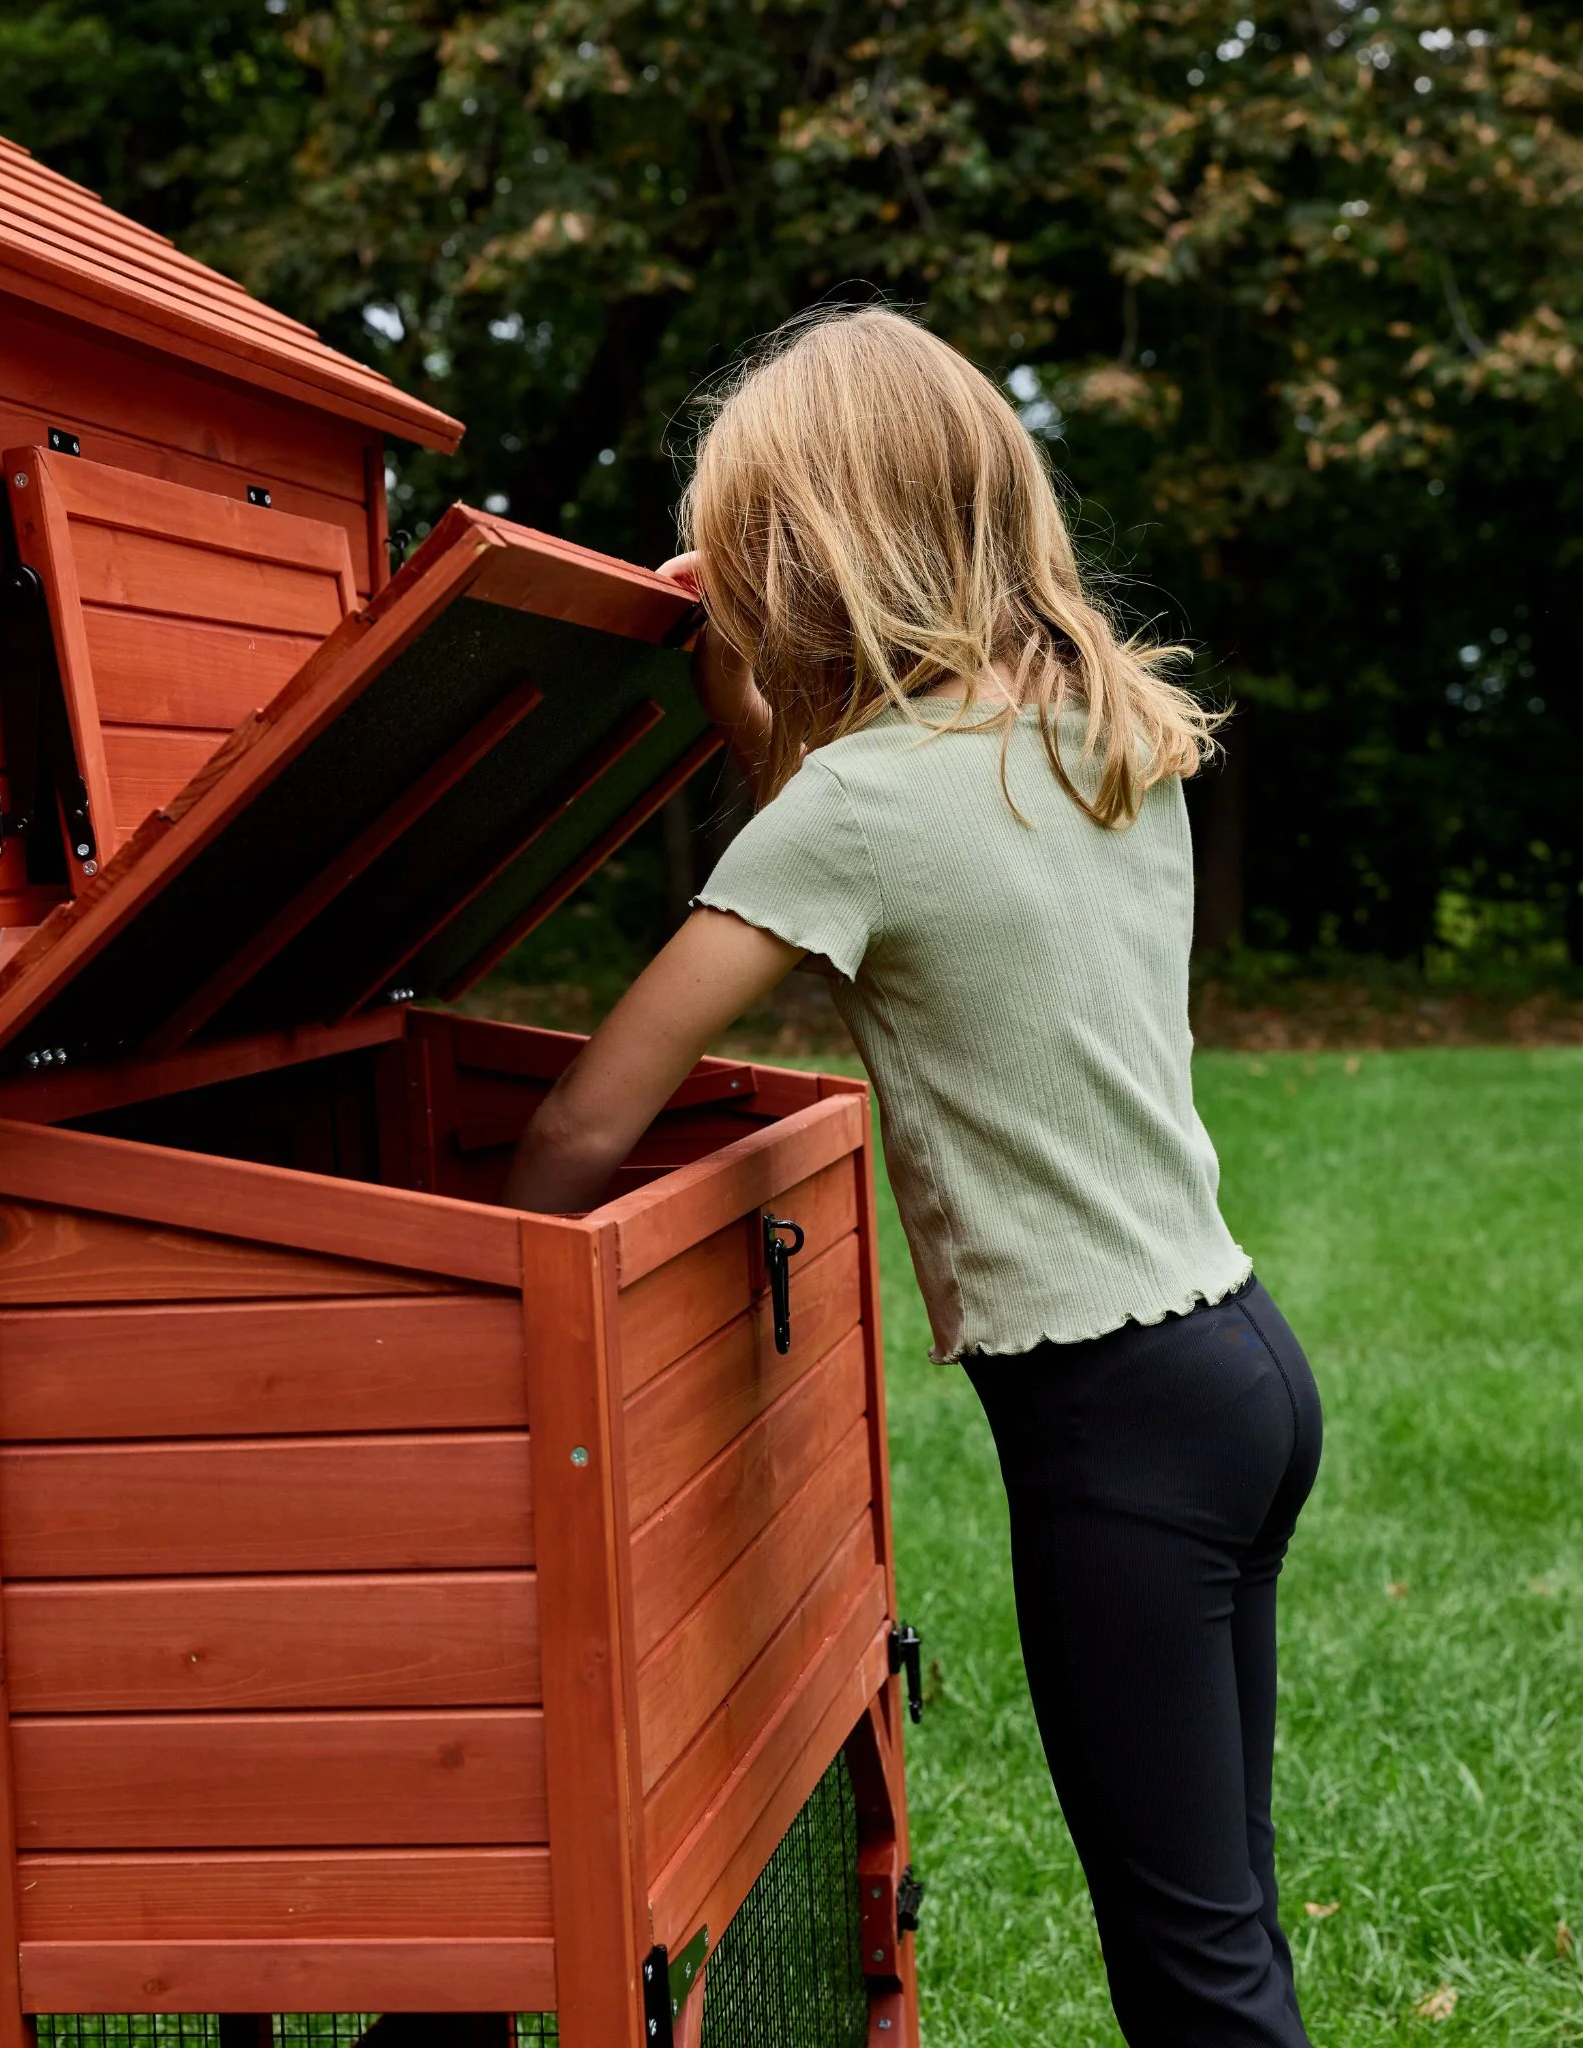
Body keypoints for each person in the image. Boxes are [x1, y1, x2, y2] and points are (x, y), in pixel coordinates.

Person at [504, 306, 1323, 2048]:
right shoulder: (1106, 726)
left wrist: (476, 1281)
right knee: (1224, 1922)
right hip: (1239, 1372)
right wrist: (756, 722)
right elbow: (906, 850)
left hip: (1114, 1428)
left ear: (803, 556)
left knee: (1190, 1971)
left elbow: (582, 1125)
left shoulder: (855, 811)